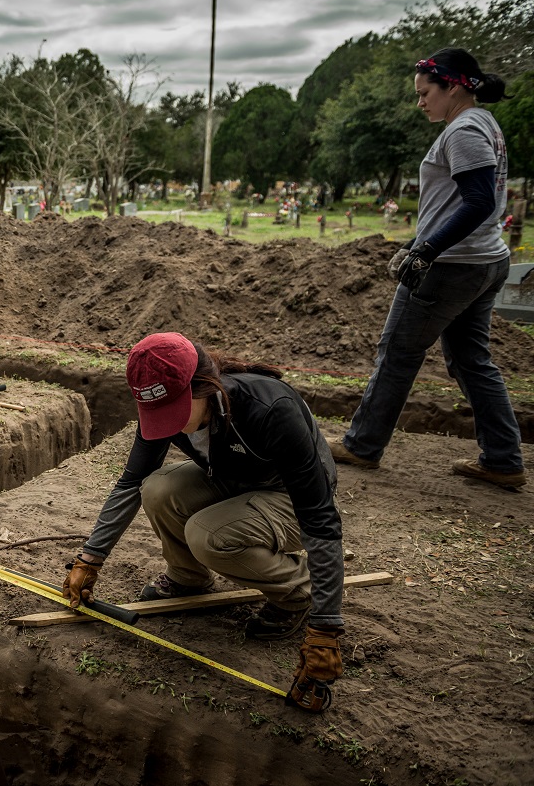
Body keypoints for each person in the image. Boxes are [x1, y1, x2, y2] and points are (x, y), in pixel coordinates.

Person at [62, 332, 346, 712]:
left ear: (204, 386)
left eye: (175, 413)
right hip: (233, 477)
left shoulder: (270, 409)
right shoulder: (169, 408)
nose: (169, 427)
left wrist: (325, 628)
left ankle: (298, 592)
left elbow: (320, 519)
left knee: (208, 535)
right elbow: (131, 482)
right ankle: (189, 578)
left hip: (290, 497)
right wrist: (90, 558)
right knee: (157, 488)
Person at [328, 48, 525, 490]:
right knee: (472, 360)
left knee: (398, 352)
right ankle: (503, 459)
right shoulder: (483, 124)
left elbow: (479, 202)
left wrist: (426, 250)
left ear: (453, 86)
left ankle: (362, 445)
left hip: (453, 265)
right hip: (484, 260)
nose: (420, 103)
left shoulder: (465, 129)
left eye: (424, 93)